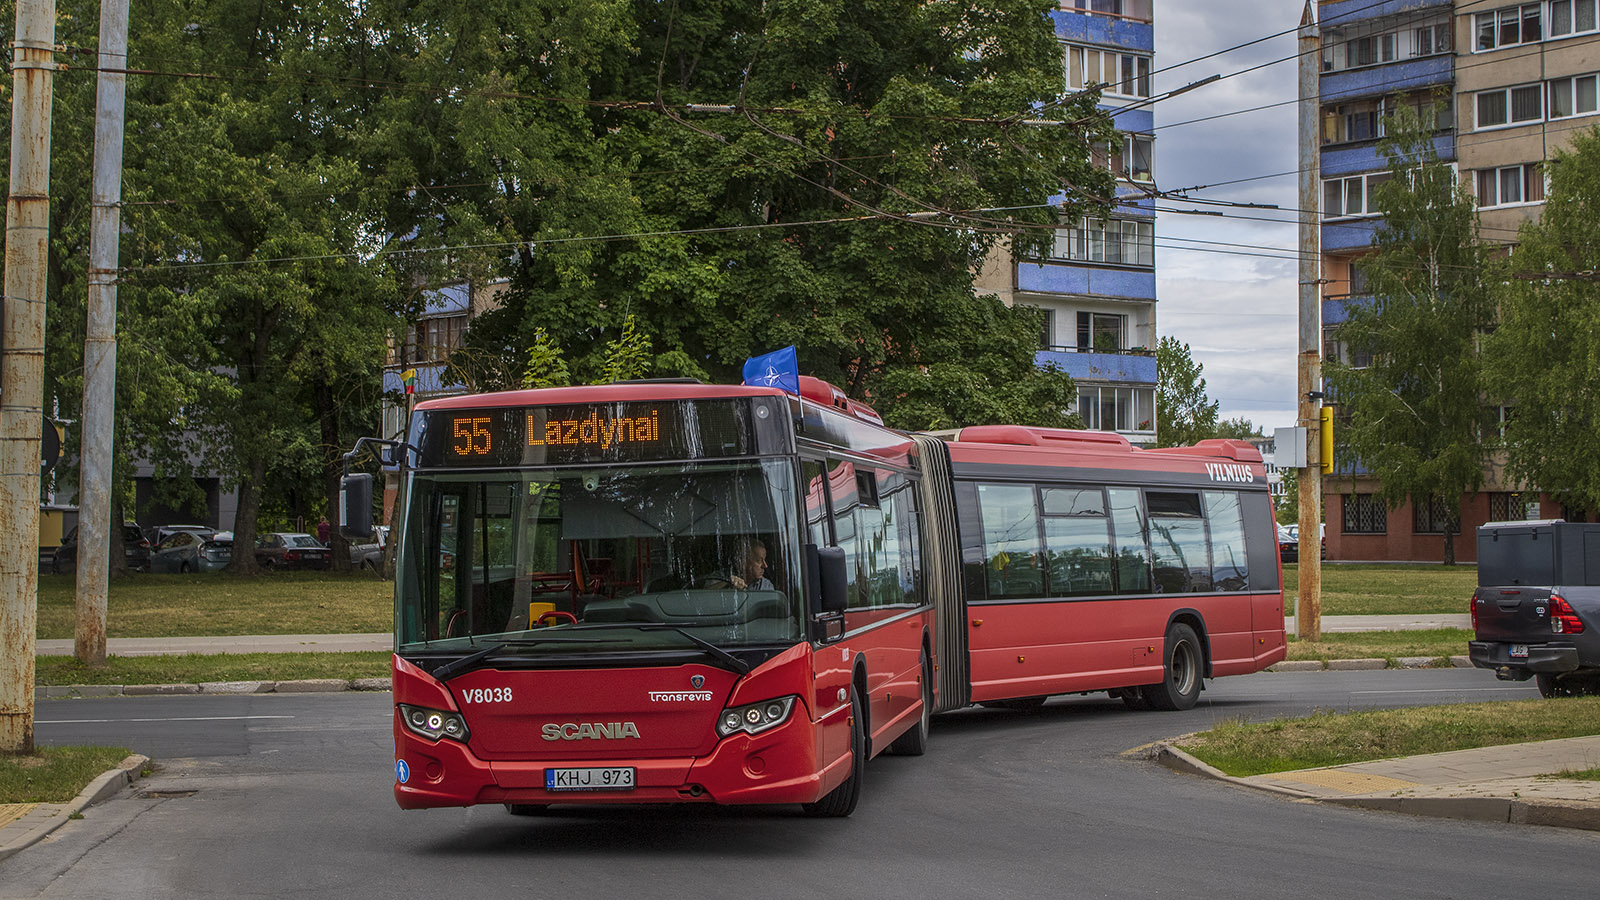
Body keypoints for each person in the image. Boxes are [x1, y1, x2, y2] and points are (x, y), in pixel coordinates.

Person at [706, 538, 773, 590]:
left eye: (764, 560)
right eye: (759, 561)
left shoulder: (765, 585)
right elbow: (704, 598)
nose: (765, 566)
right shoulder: (718, 577)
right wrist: (727, 583)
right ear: (742, 561)